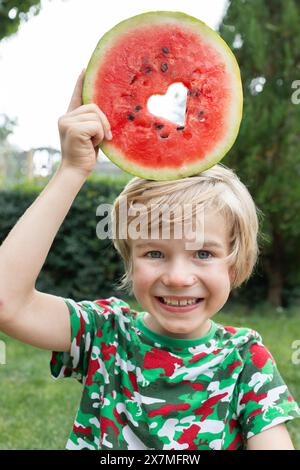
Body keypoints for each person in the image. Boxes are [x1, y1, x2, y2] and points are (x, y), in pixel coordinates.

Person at [0, 71, 299, 451]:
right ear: (130, 261)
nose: (177, 277)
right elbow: (6, 301)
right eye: (154, 253)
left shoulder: (246, 361)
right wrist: (72, 171)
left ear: (234, 264)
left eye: (203, 254)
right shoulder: (104, 335)